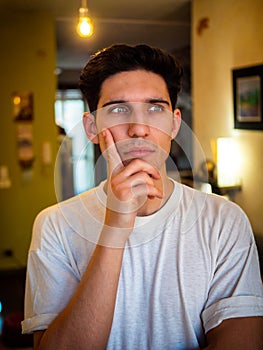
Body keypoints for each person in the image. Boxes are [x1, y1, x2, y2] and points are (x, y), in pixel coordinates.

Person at [22, 44, 263, 349]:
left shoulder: (224, 221)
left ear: (175, 123)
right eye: (118, 109)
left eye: (154, 108)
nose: (139, 128)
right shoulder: (55, 225)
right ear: (91, 127)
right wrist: (116, 227)